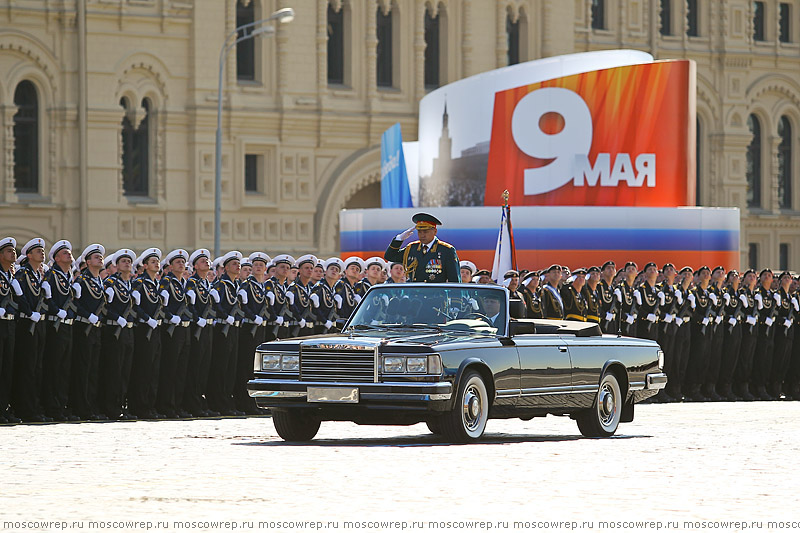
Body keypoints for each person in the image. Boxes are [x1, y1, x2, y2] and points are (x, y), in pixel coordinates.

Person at [12, 238, 50, 423]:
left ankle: (34, 406)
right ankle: (25, 408)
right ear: (28, 255)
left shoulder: (38, 275)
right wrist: (28, 312)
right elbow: (20, 298)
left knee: (37, 367)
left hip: (39, 324)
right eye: (37, 251)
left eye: (42, 251)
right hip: (28, 324)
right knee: (27, 368)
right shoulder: (23, 274)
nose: (42, 253)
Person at [40, 240, 78, 421]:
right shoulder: (52, 275)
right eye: (64, 252)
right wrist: (56, 310)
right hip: (55, 325)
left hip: (67, 326)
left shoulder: (68, 276)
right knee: (54, 368)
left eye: (69, 252)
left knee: (65, 369)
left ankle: (60, 405)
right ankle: (51, 407)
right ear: (56, 258)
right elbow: (46, 299)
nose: (69, 254)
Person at [70, 244, 107, 420]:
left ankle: (90, 406)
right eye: (96, 257)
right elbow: (74, 304)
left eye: (101, 256)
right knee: (83, 370)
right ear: (88, 261)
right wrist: (87, 315)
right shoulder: (81, 281)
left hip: (95, 330)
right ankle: (81, 407)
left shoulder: (99, 281)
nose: (100, 258)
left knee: (93, 370)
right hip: (83, 328)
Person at [100, 248, 137, 420]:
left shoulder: (131, 284)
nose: (127, 263)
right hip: (114, 330)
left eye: (129, 261)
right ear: (116, 265)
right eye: (123, 261)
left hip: (128, 330)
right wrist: (116, 318)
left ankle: (122, 405)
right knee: (114, 370)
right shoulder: (110, 283)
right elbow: (104, 307)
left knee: (125, 371)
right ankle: (111, 407)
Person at [157, 249, 193, 418]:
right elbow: (161, 306)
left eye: (183, 262)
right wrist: (170, 317)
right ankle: (166, 405)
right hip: (172, 330)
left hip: (185, 329)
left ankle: (177, 405)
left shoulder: (184, 283)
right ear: (170, 266)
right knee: (170, 369)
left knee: (182, 370)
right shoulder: (167, 281)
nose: (181, 264)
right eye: (177, 262)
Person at [129, 248, 165, 419]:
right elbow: (134, 307)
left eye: (157, 261)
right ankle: (140, 406)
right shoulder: (139, 283)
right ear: (144, 265)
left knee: (154, 370)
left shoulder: (157, 284)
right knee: (143, 369)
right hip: (144, 329)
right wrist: (145, 318)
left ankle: (150, 405)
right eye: (152, 261)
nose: (156, 263)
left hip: (156, 329)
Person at [235, 251, 271, 414]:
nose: (258, 268)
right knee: (247, 367)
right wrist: (252, 316)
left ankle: (255, 402)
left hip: (260, 328)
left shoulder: (263, 286)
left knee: (256, 367)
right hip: (249, 328)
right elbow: (243, 307)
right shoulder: (246, 285)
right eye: (255, 265)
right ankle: (244, 402)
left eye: (261, 265)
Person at [209, 251, 244, 416]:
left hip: (234, 329)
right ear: (226, 268)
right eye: (234, 264)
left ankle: (227, 401)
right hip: (223, 329)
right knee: (221, 367)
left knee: (231, 367)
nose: (238, 266)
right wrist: (225, 316)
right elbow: (216, 307)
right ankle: (218, 402)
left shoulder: (237, 285)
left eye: (239, 264)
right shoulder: (221, 285)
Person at [184, 248, 218, 417]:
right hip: (198, 328)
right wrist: (197, 318)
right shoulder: (192, 283)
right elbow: (189, 305)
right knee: (196, 367)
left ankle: (201, 402)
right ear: (195, 266)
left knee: (205, 367)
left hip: (208, 328)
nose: (207, 262)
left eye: (208, 260)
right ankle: (193, 403)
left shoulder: (207, 284)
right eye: (202, 261)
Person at [384, 213, 460, 283]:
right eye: (419, 232)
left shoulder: (446, 250)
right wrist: (399, 239)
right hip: (415, 296)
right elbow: (390, 256)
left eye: (425, 231)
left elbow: (454, 280)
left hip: (437, 295)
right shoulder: (412, 248)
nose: (422, 235)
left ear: (435, 231)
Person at [0, 238, 19, 423]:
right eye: (8, 251)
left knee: (7, 368)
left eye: (14, 251)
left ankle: (4, 408)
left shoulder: (12, 276)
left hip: (10, 324)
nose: (13, 254)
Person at [769, 271, 795, 398]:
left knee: (785, 361)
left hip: (789, 333)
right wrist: (782, 321)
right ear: (779, 281)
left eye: (788, 278)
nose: (787, 280)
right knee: (778, 360)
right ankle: (775, 388)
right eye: (784, 278)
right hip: (779, 332)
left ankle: (781, 386)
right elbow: (772, 314)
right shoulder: (777, 295)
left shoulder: (791, 297)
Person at [287, 255, 318, 337]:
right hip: (297, 328)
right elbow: (291, 307)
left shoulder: (310, 289)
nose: (310, 270)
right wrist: (299, 319)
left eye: (311, 268)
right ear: (300, 270)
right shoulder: (293, 288)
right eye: (306, 268)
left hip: (310, 328)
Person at [265, 254, 294, 339]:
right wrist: (275, 317)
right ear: (276, 269)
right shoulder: (270, 284)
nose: (285, 269)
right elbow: (267, 305)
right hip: (273, 326)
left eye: (288, 268)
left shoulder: (284, 287)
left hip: (284, 327)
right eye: (282, 267)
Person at [314, 258, 343, 333]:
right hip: (319, 327)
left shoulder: (333, 290)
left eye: (337, 270)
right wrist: (324, 321)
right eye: (332, 269)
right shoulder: (319, 287)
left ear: (339, 276)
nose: (334, 271)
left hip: (331, 328)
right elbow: (315, 309)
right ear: (325, 272)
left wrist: (338, 307)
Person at [634, 262, 660, 341]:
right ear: (645, 274)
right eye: (649, 269)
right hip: (643, 324)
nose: (652, 271)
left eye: (654, 270)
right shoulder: (641, 289)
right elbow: (637, 307)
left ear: (657, 273)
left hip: (655, 326)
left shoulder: (658, 291)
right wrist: (646, 315)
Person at [333, 257, 363, 324]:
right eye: (352, 268)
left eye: (357, 269)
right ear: (346, 271)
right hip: (341, 321)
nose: (355, 270)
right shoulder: (341, 284)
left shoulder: (354, 288)